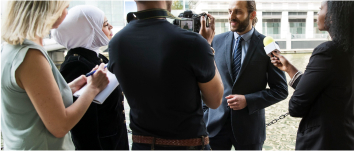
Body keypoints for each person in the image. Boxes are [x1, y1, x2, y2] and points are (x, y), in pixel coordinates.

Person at [107, 1, 223, 150]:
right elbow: (215, 101)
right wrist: (207, 46)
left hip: (141, 146)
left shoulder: (117, 43)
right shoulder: (192, 42)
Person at [270, 1, 354, 149]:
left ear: (333, 16)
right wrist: (289, 68)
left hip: (324, 143)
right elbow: (329, 95)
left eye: (321, 9)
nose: (318, 13)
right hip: (351, 141)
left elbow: (296, 107)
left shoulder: (327, 51)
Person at [1, 1, 109, 150]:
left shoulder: (13, 47)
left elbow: (33, 102)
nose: (66, 12)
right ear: (48, 10)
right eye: (64, 7)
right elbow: (59, 126)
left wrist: (67, 88)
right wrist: (93, 88)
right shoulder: (31, 56)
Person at [203, 1, 288, 150]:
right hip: (214, 127)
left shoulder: (268, 46)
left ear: (252, 14)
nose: (231, 17)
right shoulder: (216, 41)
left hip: (250, 130)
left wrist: (248, 100)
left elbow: (281, 90)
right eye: (230, 11)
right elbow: (205, 80)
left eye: (238, 12)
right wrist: (205, 113)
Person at [51, 5, 129, 150]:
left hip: (115, 141)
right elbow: (83, 125)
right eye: (105, 24)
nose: (111, 27)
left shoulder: (98, 58)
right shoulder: (76, 64)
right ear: (88, 31)